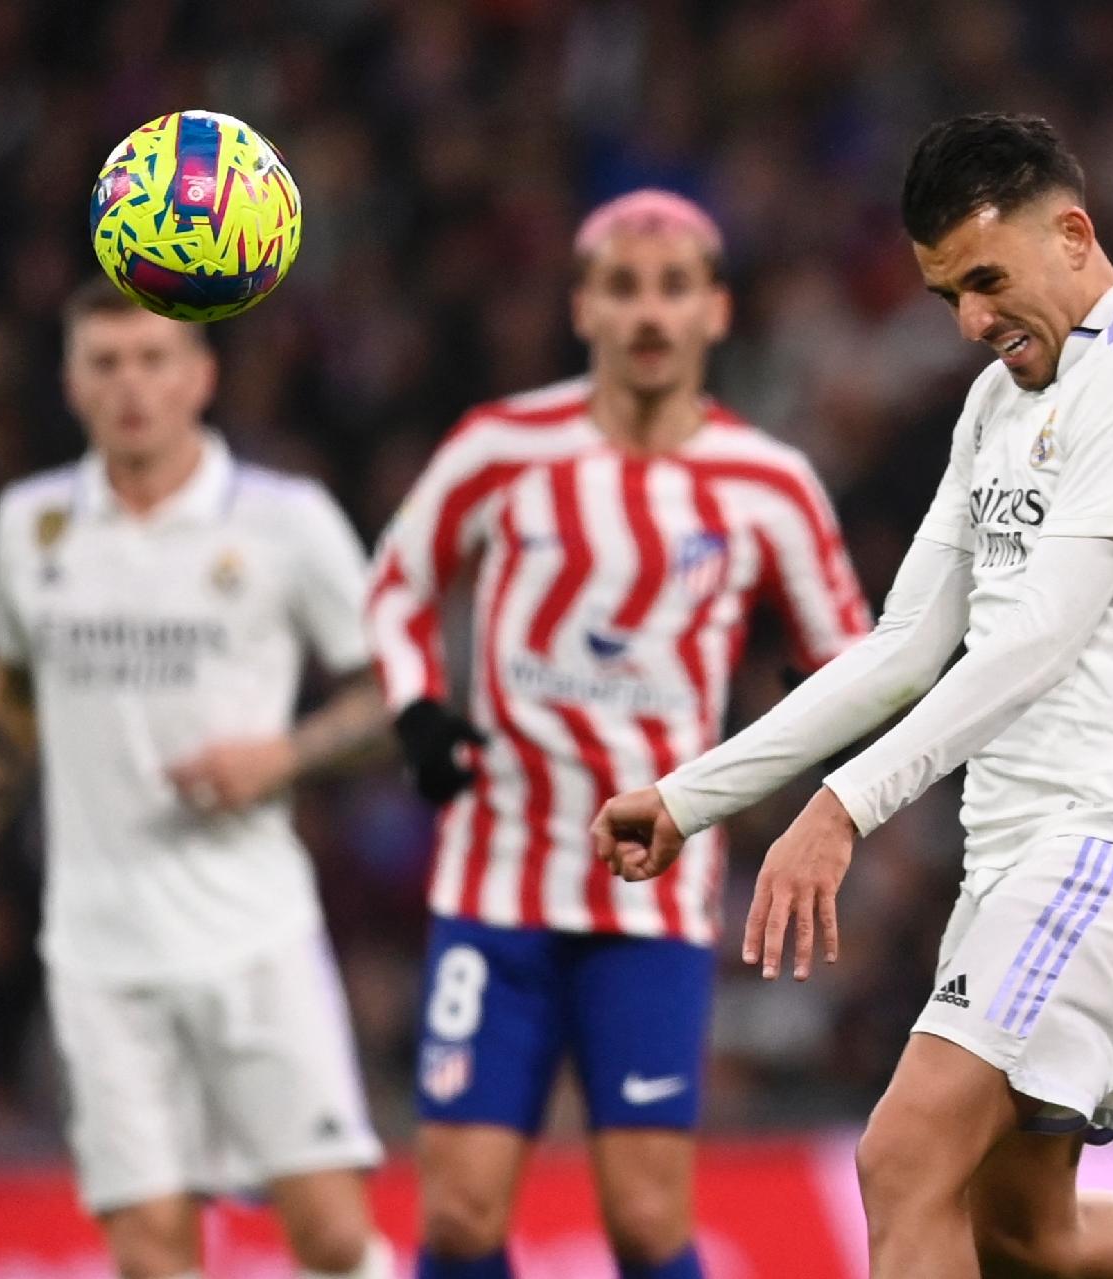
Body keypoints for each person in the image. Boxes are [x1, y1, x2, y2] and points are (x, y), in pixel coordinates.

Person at [594, 114, 1113, 1279]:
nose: (973, 322)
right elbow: (904, 647)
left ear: (1074, 234)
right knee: (1023, 1234)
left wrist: (843, 807)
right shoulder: (999, 403)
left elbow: (1038, 634)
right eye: (949, 293)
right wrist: (691, 797)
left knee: (901, 1158)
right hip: (1016, 853)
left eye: (989, 280)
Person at [366, 189, 869, 1279]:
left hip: (653, 895)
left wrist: (811, 743)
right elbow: (399, 579)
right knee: (456, 1215)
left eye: (675, 288)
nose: (650, 313)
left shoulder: (769, 484)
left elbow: (856, 660)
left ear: (716, 313)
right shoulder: (502, 448)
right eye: (625, 288)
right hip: (493, 883)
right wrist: (415, 704)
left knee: (647, 1221)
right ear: (583, 306)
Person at [0, 279, 394, 1279]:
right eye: (106, 362)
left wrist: (281, 755)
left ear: (201, 377)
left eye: (154, 360)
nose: (131, 386)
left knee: (333, 1235)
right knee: (151, 1252)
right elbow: (13, 698)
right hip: (99, 949)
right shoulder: (31, 527)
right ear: (73, 382)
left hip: (253, 933)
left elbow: (401, 694)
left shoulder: (282, 519)